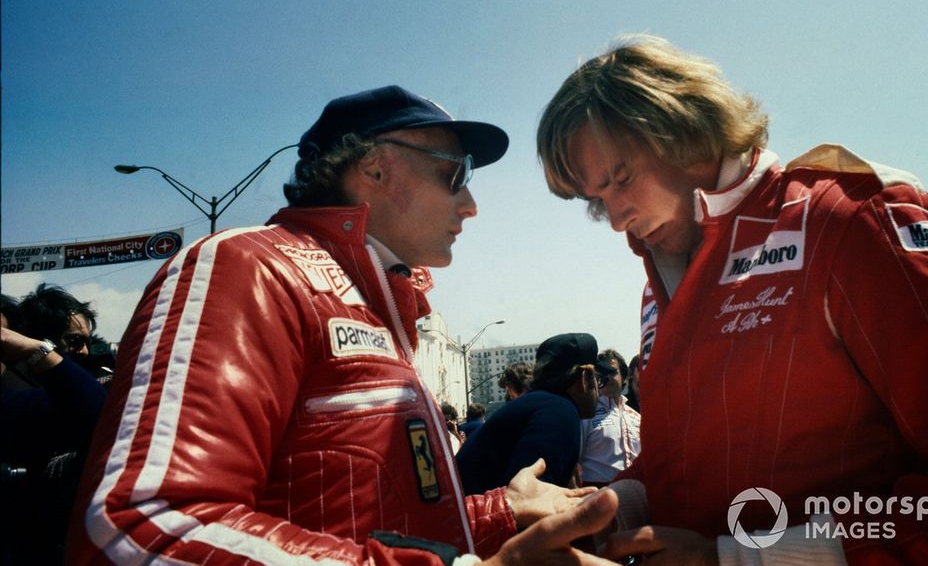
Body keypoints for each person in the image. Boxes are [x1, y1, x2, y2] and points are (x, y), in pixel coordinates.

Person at [68, 85, 618, 566]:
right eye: (455, 173)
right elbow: (142, 529)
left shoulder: (380, 303)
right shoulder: (250, 268)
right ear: (375, 169)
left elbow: (360, 523)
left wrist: (501, 511)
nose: (471, 204)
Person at [537, 36, 928, 564]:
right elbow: (695, 460)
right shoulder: (661, 280)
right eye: (597, 201)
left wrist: (745, 558)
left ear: (688, 132)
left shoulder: (848, 218)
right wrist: (613, 511)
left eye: (622, 179)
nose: (617, 218)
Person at [1, 288, 107, 565]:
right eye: (73, 341)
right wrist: (40, 352)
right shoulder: (17, 395)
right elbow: (101, 416)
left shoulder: (68, 386)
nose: (83, 351)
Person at [457, 333, 616, 495]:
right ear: (583, 379)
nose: (599, 388)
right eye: (598, 379)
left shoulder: (544, 406)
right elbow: (529, 503)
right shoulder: (560, 411)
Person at [578, 349, 641, 487]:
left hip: (634, 491)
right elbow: (574, 461)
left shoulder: (636, 417)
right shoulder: (587, 414)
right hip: (597, 493)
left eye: (612, 372)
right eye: (601, 374)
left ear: (624, 376)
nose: (607, 378)